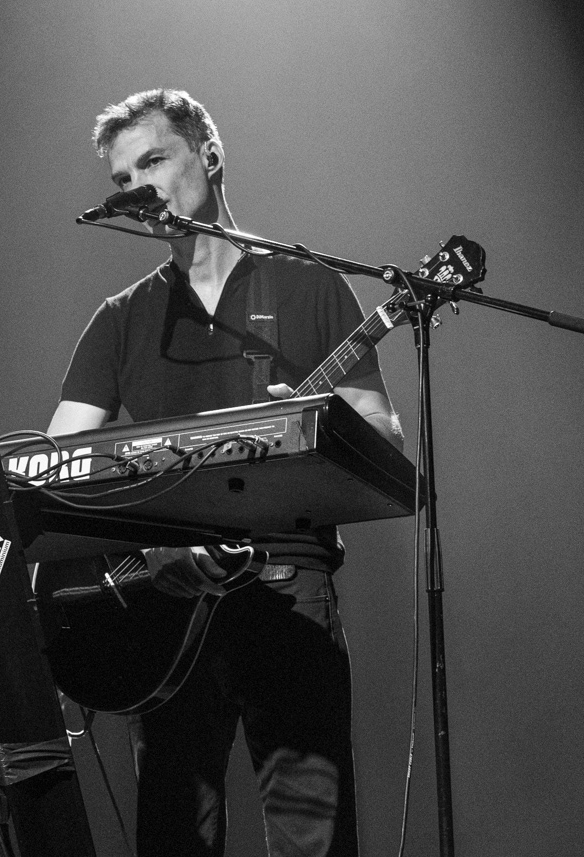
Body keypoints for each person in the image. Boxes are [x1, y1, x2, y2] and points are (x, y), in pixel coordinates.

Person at [48, 89, 402, 857]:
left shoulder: (310, 285)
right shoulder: (121, 317)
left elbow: (382, 435)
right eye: (121, 179)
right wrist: (152, 540)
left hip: (289, 588)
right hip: (168, 600)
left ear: (209, 155)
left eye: (153, 161)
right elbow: (56, 468)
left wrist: (312, 426)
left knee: (314, 838)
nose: (136, 188)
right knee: (174, 837)